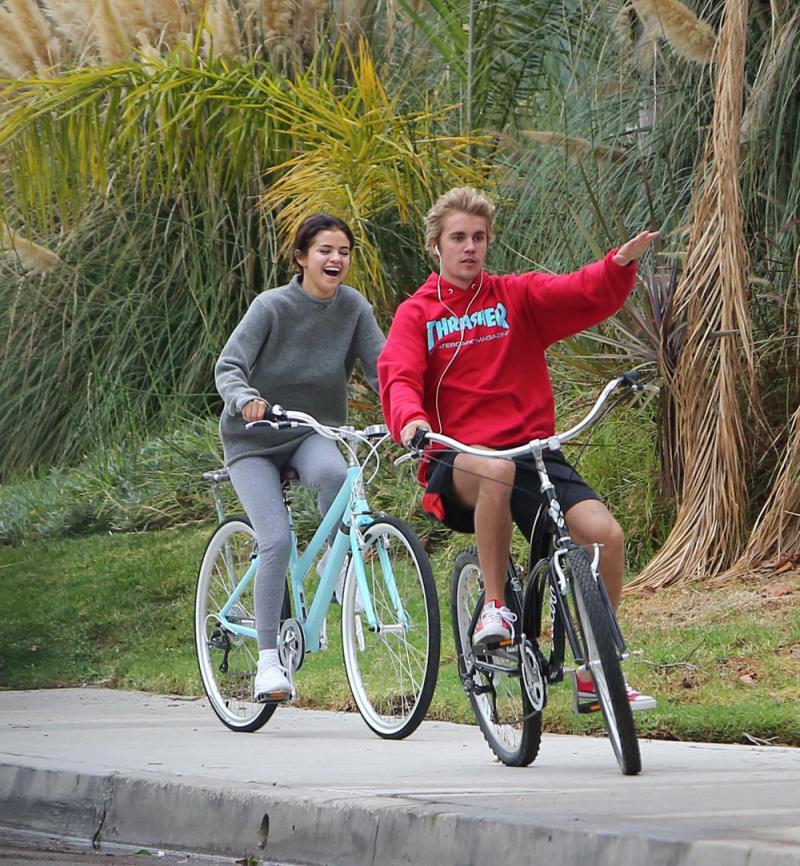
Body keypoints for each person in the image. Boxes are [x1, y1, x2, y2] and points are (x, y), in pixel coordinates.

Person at [378, 187, 659, 710]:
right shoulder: (417, 314)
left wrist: (617, 265)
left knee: (606, 535)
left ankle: (595, 670)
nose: (470, 248)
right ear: (435, 246)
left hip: (530, 451)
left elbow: (578, 292)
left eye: (479, 238)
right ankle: (493, 605)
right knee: (495, 473)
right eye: (458, 238)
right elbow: (398, 376)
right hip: (457, 456)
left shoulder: (516, 296)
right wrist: (412, 421)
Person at [215, 213, 384, 702]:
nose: (336, 259)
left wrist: (409, 411)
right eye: (325, 251)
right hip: (254, 437)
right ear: (301, 257)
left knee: (336, 474)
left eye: (344, 252)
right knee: (276, 539)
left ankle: (334, 559)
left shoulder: (353, 308)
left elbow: (383, 369)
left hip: (309, 431)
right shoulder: (270, 307)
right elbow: (229, 365)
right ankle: (269, 662)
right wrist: (244, 397)